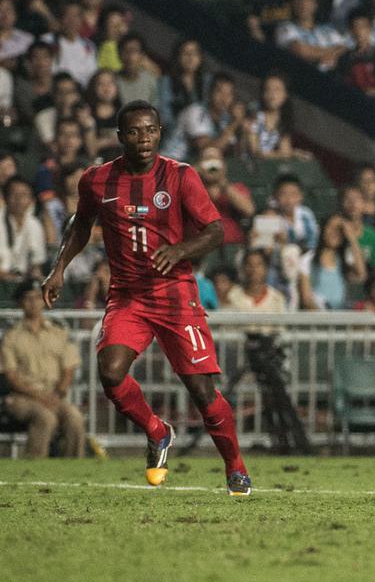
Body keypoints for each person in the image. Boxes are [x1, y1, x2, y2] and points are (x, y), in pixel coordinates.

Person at [41, 99, 253, 495]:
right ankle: (157, 431)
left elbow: (215, 230)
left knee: (202, 393)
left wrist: (179, 250)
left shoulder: (180, 176)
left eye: (151, 130)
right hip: (128, 295)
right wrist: (59, 268)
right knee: (110, 372)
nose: (144, 139)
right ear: (121, 137)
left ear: (160, 132)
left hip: (175, 295)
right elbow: (81, 223)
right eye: (135, 131)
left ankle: (235, 467)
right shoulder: (96, 180)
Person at [1, 278, 87, 458]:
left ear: (44, 301)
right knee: (45, 417)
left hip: (54, 395)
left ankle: (74, 469)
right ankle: (33, 467)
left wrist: (56, 394)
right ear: (20, 303)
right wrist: (41, 398)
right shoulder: (11, 337)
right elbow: (11, 377)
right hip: (21, 398)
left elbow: (68, 370)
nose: (33, 303)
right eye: (28, 298)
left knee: (75, 417)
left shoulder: (59, 333)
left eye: (37, 298)